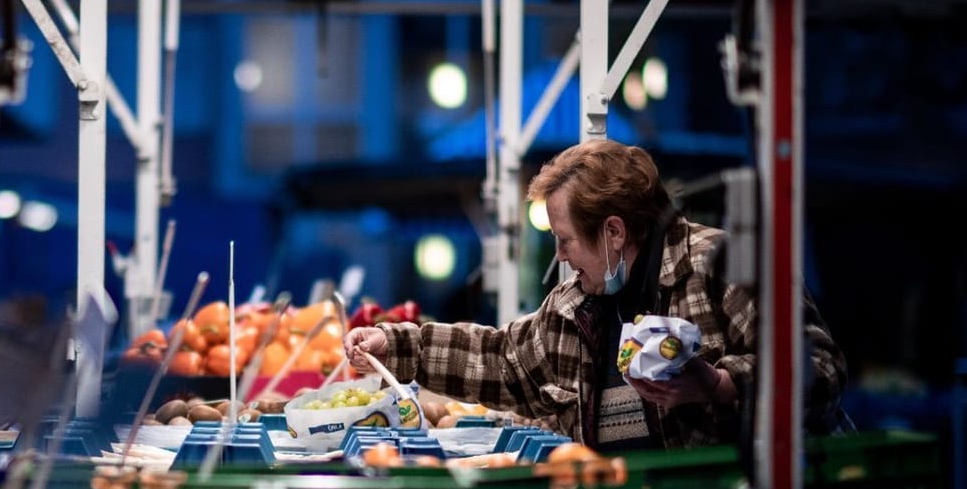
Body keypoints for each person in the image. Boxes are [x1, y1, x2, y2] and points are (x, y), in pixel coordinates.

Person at [345, 140, 846, 450]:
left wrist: (717, 384)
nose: (560, 257)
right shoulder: (575, 305)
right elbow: (503, 361)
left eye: (564, 240)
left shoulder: (727, 264)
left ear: (613, 232)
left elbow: (820, 369)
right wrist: (398, 347)